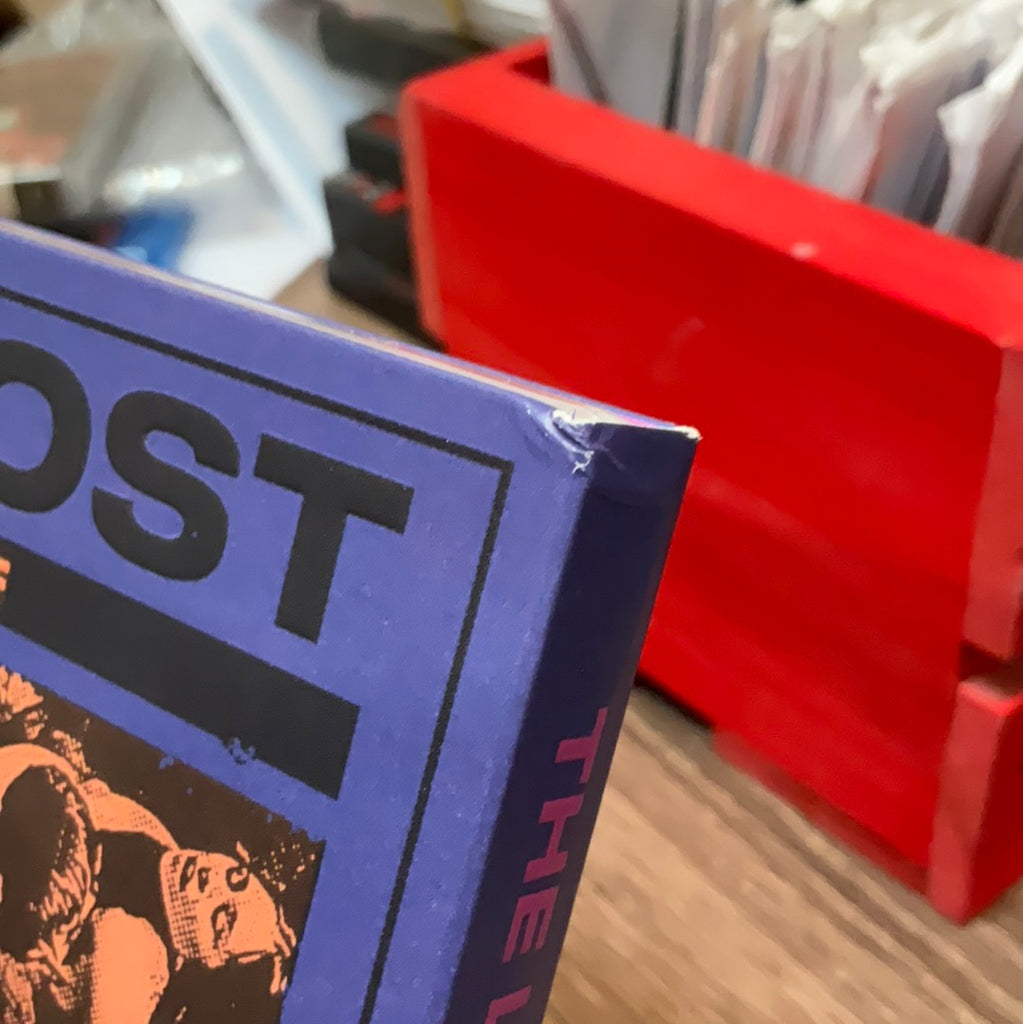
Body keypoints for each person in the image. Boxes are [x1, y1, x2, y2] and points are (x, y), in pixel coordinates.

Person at [0, 744, 296, 1024]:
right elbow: (89, 792)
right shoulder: (157, 841)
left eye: (219, 922)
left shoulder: (133, 951)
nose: (210, 882)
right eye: (235, 878)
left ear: (206, 960)